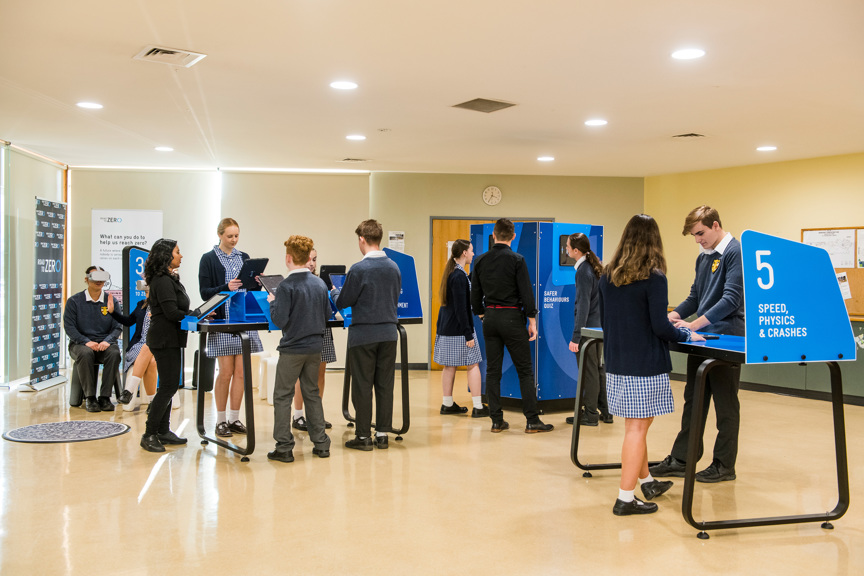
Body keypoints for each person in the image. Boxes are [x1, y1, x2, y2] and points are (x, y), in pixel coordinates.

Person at [599, 214, 704, 516]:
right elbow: (660, 326)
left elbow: (606, 320)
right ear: (654, 241)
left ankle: (646, 481)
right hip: (644, 362)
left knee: (638, 425)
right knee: (637, 428)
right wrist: (685, 333)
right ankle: (625, 498)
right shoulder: (655, 277)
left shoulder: (608, 275)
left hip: (617, 361)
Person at [649, 205, 745, 483]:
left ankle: (724, 465)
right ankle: (682, 459)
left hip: (728, 340)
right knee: (694, 401)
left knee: (726, 406)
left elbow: (731, 300)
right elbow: (695, 296)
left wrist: (692, 325)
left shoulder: (735, 252)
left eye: (701, 233)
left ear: (716, 225)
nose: (698, 240)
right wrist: (673, 316)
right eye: (694, 235)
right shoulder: (704, 257)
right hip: (702, 339)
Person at [470, 218, 553, 434]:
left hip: (490, 318)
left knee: (493, 371)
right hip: (513, 318)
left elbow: (475, 294)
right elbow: (526, 292)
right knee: (524, 371)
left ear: (494, 235)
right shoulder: (517, 260)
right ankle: (532, 421)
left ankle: (496, 421)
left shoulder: (479, 261)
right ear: (513, 236)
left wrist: (481, 313)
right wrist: (532, 320)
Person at [334, 219, 401, 451]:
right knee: (385, 384)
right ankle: (383, 434)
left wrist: (334, 293)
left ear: (362, 239)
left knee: (362, 385)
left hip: (363, 335)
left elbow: (344, 301)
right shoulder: (393, 267)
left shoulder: (359, 269)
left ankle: (363, 437)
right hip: (389, 334)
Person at [267, 236, 333, 462]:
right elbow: (326, 315)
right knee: (312, 393)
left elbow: (280, 321)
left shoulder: (285, 286)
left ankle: (284, 447)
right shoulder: (319, 284)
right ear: (307, 258)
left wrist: (272, 302)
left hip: (292, 349)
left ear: (288, 258)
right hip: (315, 348)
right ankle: (322, 443)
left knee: (282, 395)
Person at [198, 218, 264, 438]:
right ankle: (220, 420)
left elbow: (250, 288)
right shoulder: (208, 259)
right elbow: (205, 292)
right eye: (229, 236)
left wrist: (257, 281)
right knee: (225, 372)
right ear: (220, 235)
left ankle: (234, 418)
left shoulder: (244, 257)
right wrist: (226, 287)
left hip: (243, 317)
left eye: (236, 235)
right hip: (223, 321)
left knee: (241, 373)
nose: (234, 240)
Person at [140, 239, 190, 452]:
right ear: (166, 256)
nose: (181, 256)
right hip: (164, 339)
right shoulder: (162, 280)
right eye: (178, 252)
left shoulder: (170, 279)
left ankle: (163, 430)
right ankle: (149, 433)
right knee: (169, 386)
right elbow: (171, 313)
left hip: (171, 338)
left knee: (168, 385)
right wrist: (195, 315)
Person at [433, 239, 487, 417]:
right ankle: (478, 406)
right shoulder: (458, 276)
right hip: (459, 330)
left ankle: (447, 404)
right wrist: (468, 334)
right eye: (471, 251)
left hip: (447, 328)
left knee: (449, 366)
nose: (473, 253)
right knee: (473, 365)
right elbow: (461, 308)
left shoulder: (456, 273)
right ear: (464, 252)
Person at [565, 232, 611, 426]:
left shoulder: (583, 271)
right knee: (598, 369)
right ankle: (606, 412)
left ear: (576, 250)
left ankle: (590, 414)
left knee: (589, 371)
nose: (566, 249)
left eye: (567, 247)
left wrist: (576, 337)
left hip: (587, 330)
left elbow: (583, 305)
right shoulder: (593, 268)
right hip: (598, 328)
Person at [63, 266, 122, 413]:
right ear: (86, 279)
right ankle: (90, 398)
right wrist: (85, 341)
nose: (99, 281)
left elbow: (117, 326)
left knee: (114, 353)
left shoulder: (111, 301)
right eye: (95, 277)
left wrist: (107, 341)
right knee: (85, 353)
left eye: (102, 277)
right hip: (80, 344)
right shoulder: (74, 301)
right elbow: (69, 327)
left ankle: (105, 397)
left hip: (104, 343)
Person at [291, 249, 335, 431]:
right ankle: (298, 415)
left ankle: (315, 415)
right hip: (303, 333)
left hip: (323, 330)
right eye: (308, 259)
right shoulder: (295, 281)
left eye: (315, 259)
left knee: (320, 374)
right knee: (302, 376)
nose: (311, 263)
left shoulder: (321, 283)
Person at [107, 282, 158, 412]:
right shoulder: (141, 305)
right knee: (150, 357)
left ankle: (128, 391)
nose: (146, 295)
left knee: (151, 353)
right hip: (139, 346)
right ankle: (152, 403)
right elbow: (129, 321)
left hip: (158, 345)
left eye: (149, 292)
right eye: (145, 293)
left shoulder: (164, 308)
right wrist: (113, 313)